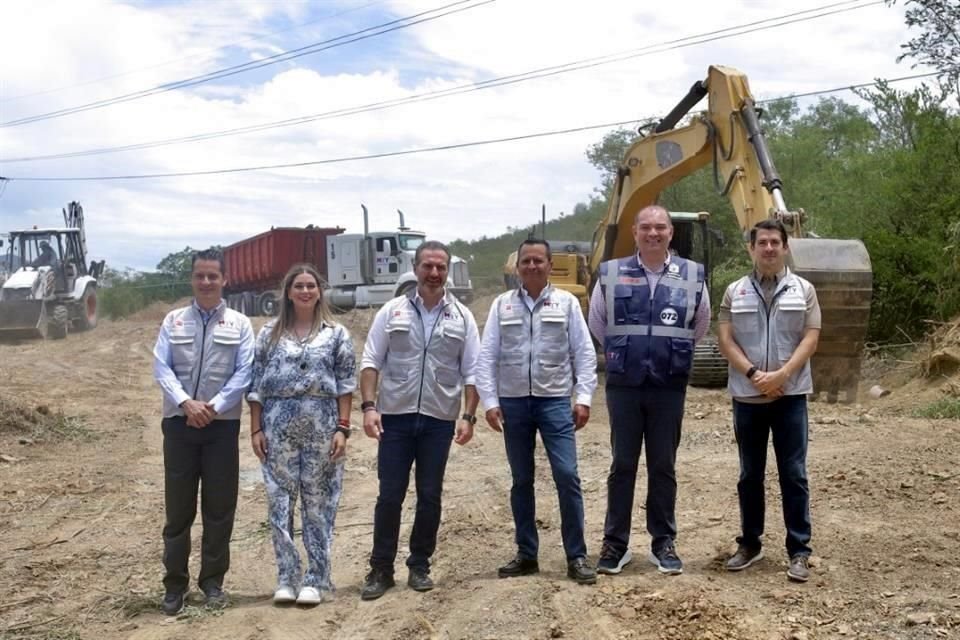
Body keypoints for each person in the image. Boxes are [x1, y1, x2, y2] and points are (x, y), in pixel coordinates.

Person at [587, 205, 710, 576]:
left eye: (660, 228)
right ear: (635, 233)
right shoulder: (610, 273)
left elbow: (698, 325)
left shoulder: (691, 274)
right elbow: (598, 323)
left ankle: (663, 543)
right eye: (645, 228)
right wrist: (630, 352)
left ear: (671, 233)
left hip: (668, 386)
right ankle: (615, 544)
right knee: (622, 465)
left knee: (663, 466)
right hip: (624, 386)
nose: (653, 233)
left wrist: (665, 353)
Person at [359, 240, 481, 600]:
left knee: (430, 495)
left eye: (440, 267)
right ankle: (381, 569)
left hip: (438, 420)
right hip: (395, 418)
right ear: (415, 269)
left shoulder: (462, 316)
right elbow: (370, 361)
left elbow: (472, 371)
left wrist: (468, 416)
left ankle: (419, 564)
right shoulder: (392, 311)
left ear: (447, 271)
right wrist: (368, 407)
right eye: (427, 266)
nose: (434, 273)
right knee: (390, 495)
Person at [477, 239, 598, 585]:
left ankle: (576, 556)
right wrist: (490, 402)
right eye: (526, 261)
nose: (532, 266)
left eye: (538, 261)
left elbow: (584, 354)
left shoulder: (568, 304)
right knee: (521, 480)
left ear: (549, 264)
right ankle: (527, 553)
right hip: (514, 403)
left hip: (555, 401)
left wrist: (584, 397)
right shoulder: (502, 306)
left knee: (567, 476)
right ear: (518, 267)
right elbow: (487, 357)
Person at [716, 219, 820, 583]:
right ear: (752, 248)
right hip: (747, 397)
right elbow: (725, 339)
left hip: (790, 396)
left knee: (794, 473)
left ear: (786, 247)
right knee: (749, 474)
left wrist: (782, 375)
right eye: (762, 242)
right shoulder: (734, 291)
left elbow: (811, 336)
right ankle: (750, 544)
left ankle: (799, 551)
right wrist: (753, 375)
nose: (769, 248)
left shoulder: (803, 289)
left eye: (776, 242)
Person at [152, 248, 254, 615]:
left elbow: (245, 371)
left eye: (213, 276)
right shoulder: (173, 321)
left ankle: (212, 582)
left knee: (219, 508)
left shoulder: (240, 324)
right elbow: (161, 367)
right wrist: (186, 403)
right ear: (192, 279)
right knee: (178, 510)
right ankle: (174, 586)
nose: (207, 282)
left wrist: (214, 406)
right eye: (200, 276)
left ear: (224, 279)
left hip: (221, 427)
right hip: (179, 425)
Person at [247, 264, 356, 605]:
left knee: (318, 502)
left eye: (311, 285)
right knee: (279, 503)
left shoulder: (336, 334)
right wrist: (255, 428)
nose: (305, 291)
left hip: (322, 425)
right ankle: (286, 577)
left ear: (319, 291)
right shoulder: (268, 334)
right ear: (288, 293)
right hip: (277, 425)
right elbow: (255, 385)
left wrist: (342, 427)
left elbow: (346, 384)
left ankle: (316, 578)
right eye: (299, 286)